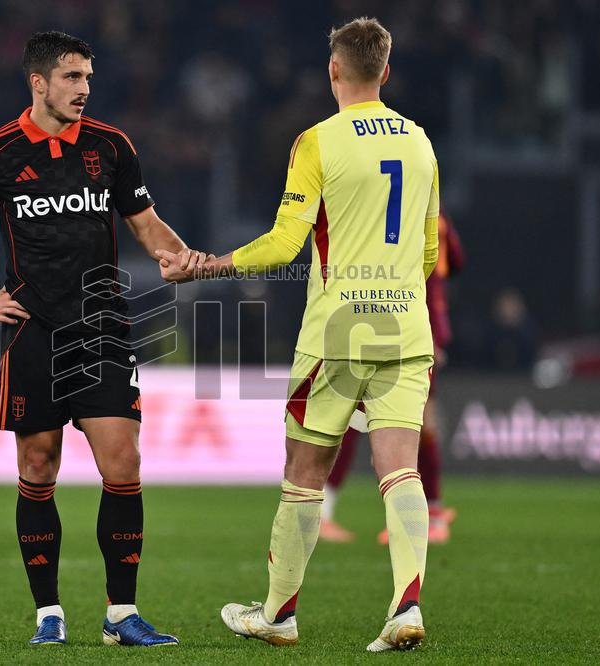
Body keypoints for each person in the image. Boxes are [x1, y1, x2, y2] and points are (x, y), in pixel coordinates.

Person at [160, 17, 439, 652]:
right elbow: (428, 252)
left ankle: (279, 614)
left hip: (338, 329)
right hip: (406, 326)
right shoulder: (421, 143)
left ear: (334, 71)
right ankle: (406, 606)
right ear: (386, 72)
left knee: (305, 471)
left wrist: (210, 263)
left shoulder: (318, 141)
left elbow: (286, 243)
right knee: (401, 471)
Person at [0, 31, 204, 647]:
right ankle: (48, 614)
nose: (84, 89)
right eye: (73, 77)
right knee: (37, 466)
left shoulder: (111, 146)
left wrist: (175, 255)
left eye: (89, 78)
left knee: (122, 464)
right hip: (32, 333)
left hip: (101, 327)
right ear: (39, 83)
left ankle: (121, 615)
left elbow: (145, 221)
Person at [320, 212, 464, 547]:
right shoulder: (438, 218)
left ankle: (432, 513)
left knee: (414, 422)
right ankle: (425, 514)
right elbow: (455, 262)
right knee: (365, 419)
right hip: (403, 325)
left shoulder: (396, 217)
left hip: (407, 328)